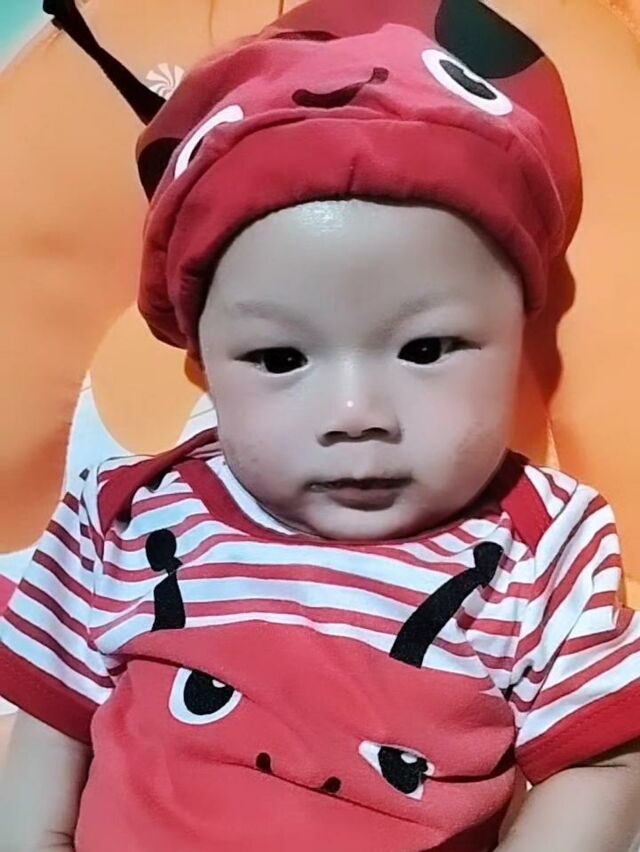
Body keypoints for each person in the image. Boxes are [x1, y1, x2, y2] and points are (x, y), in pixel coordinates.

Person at [1, 0, 640, 850]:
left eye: (427, 349)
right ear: (202, 362)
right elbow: (50, 723)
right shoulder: (119, 516)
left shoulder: (545, 544)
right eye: (279, 359)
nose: (355, 417)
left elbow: (602, 764)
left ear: (519, 333)